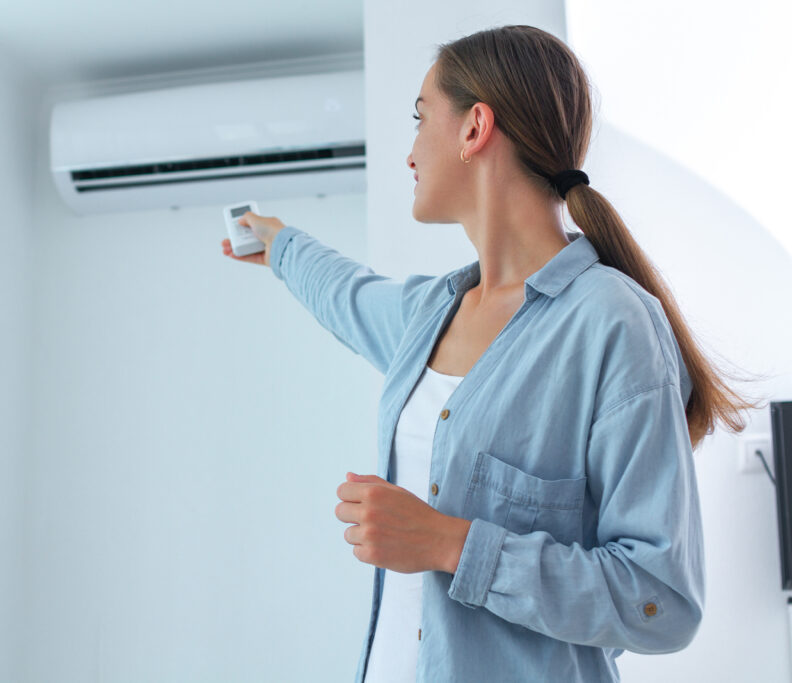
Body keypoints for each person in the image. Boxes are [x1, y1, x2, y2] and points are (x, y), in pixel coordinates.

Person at [221, 24, 762, 683]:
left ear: (476, 126)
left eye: (421, 118)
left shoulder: (613, 324)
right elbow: (347, 294)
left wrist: (447, 543)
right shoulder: (429, 315)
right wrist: (277, 243)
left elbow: (662, 600)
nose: (411, 150)